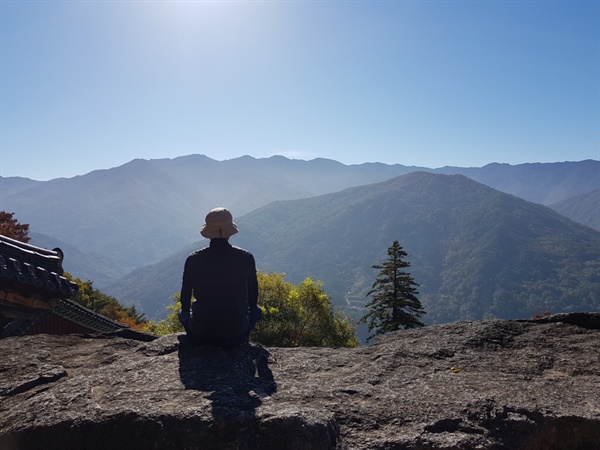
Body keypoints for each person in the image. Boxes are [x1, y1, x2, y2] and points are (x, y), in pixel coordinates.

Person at [178, 207, 261, 346]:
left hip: (200, 332)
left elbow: (184, 300)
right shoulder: (245, 257)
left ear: (208, 232)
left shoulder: (193, 259)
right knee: (256, 311)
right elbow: (253, 298)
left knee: (183, 312)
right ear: (230, 231)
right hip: (237, 334)